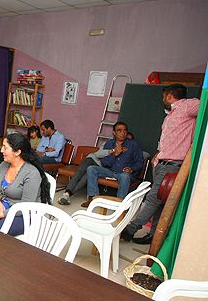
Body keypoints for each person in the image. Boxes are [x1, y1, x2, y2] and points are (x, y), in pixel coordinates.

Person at [122, 84, 199, 245]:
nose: (162, 100)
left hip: (172, 165)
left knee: (153, 198)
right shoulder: (171, 114)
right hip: (161, 162)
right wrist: (158, 154)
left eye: (163, 97)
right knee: (159, 201)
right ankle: (153, 235)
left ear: (170, 96)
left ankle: (131, 229)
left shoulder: (186, 107)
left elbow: (202, 103)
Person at [0, 132, 51, 235]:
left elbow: (25, 207)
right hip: (3, 206)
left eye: (5, 148)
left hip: (24, 215)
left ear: (17, 152)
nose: (1, 150)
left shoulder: (31, 174)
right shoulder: (4, 165)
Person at [83, 122, 144, 205]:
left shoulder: (133, 145)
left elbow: (140, 161)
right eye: (119, 130)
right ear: (114, 133)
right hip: (110, 171)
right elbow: (104, 162)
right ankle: (93, 198)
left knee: (124, 176)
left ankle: (119, 204)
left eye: (125, 130)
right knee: (91, 168)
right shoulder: (109, 144)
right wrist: (115, 154)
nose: (123, 133)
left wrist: (131, 169)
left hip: (123, 173)